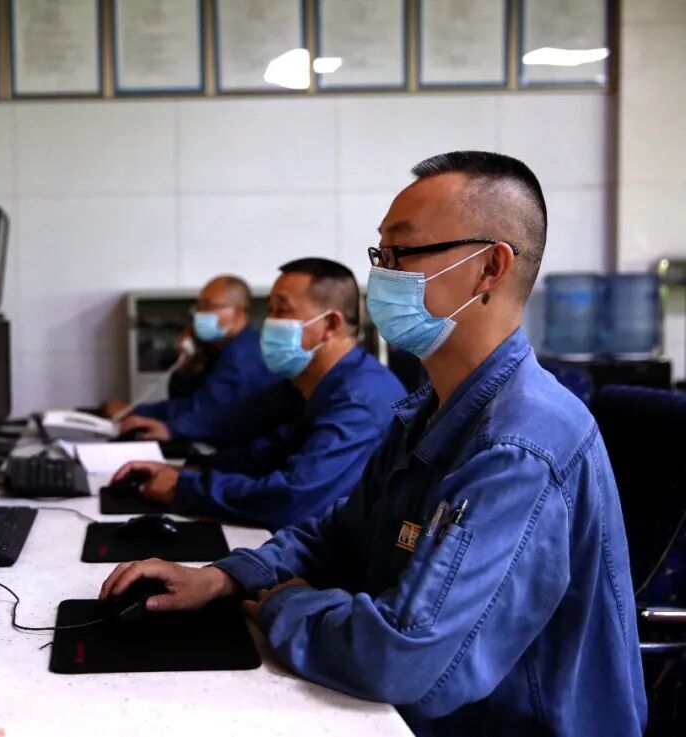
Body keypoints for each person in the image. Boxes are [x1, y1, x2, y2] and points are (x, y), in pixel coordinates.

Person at [99, 151, 646, 736]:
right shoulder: (432, 410)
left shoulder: (518, 446)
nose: (380, 278)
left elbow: (405, 656)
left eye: (401, 253)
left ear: (490, 267)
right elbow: (341, 533)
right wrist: (224, 578)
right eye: (379, 255)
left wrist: (286, 604)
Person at [110, 258, 406, 531]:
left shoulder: (359, 400)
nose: (269, 324)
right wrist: (190, 471)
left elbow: (292, 498)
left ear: (330, 325)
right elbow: (267, 454)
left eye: (282, 311)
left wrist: (184, 487)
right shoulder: (307, 384)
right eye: (271, 311)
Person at [110, 275, 275, 446]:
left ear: (237, 313)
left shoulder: (244, 354)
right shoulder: (220, 348)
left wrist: (136, 411)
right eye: (199, 307)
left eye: (208, 306)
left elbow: (204, 409)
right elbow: (184, 397)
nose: (199, 314)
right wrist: (189, 363)